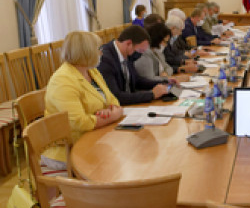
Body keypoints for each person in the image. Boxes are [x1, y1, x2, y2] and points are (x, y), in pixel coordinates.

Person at [44, 31, 123, 170]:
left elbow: (112, 99)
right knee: (113, 165)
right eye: (98, 49)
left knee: (121, 156)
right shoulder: (63, 81)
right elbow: (79, 122)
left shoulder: (91, 71)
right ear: (86, 53)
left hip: (94, 136)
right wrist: (113, 115)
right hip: (68, 150)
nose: (101, 53)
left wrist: (109, 110)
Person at [98, 25, 170, 105]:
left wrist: (163, 82)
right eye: (140, 50)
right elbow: (116, 96)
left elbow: (137, 80)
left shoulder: (126, 53)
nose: (140, 55)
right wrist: (151, 95)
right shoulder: (105, 59)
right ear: (128, 43)